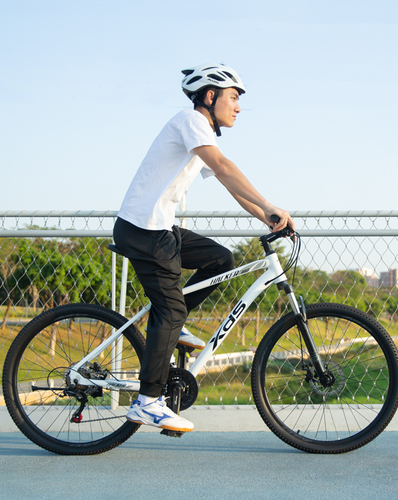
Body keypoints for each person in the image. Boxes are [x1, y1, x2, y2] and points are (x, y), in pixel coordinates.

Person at [113, 63, 294, 433]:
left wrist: (266, 217)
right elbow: (225, 168)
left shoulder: (202, 135)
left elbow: (228, 183)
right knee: (171, 307)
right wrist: (272, 203)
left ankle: (174, 326)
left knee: (220, 259)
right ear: (209, 97)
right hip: (144, 230)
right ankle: (147, 401)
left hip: (159, 227)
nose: (238, 107)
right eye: (233, 98)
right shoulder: (190, 120)